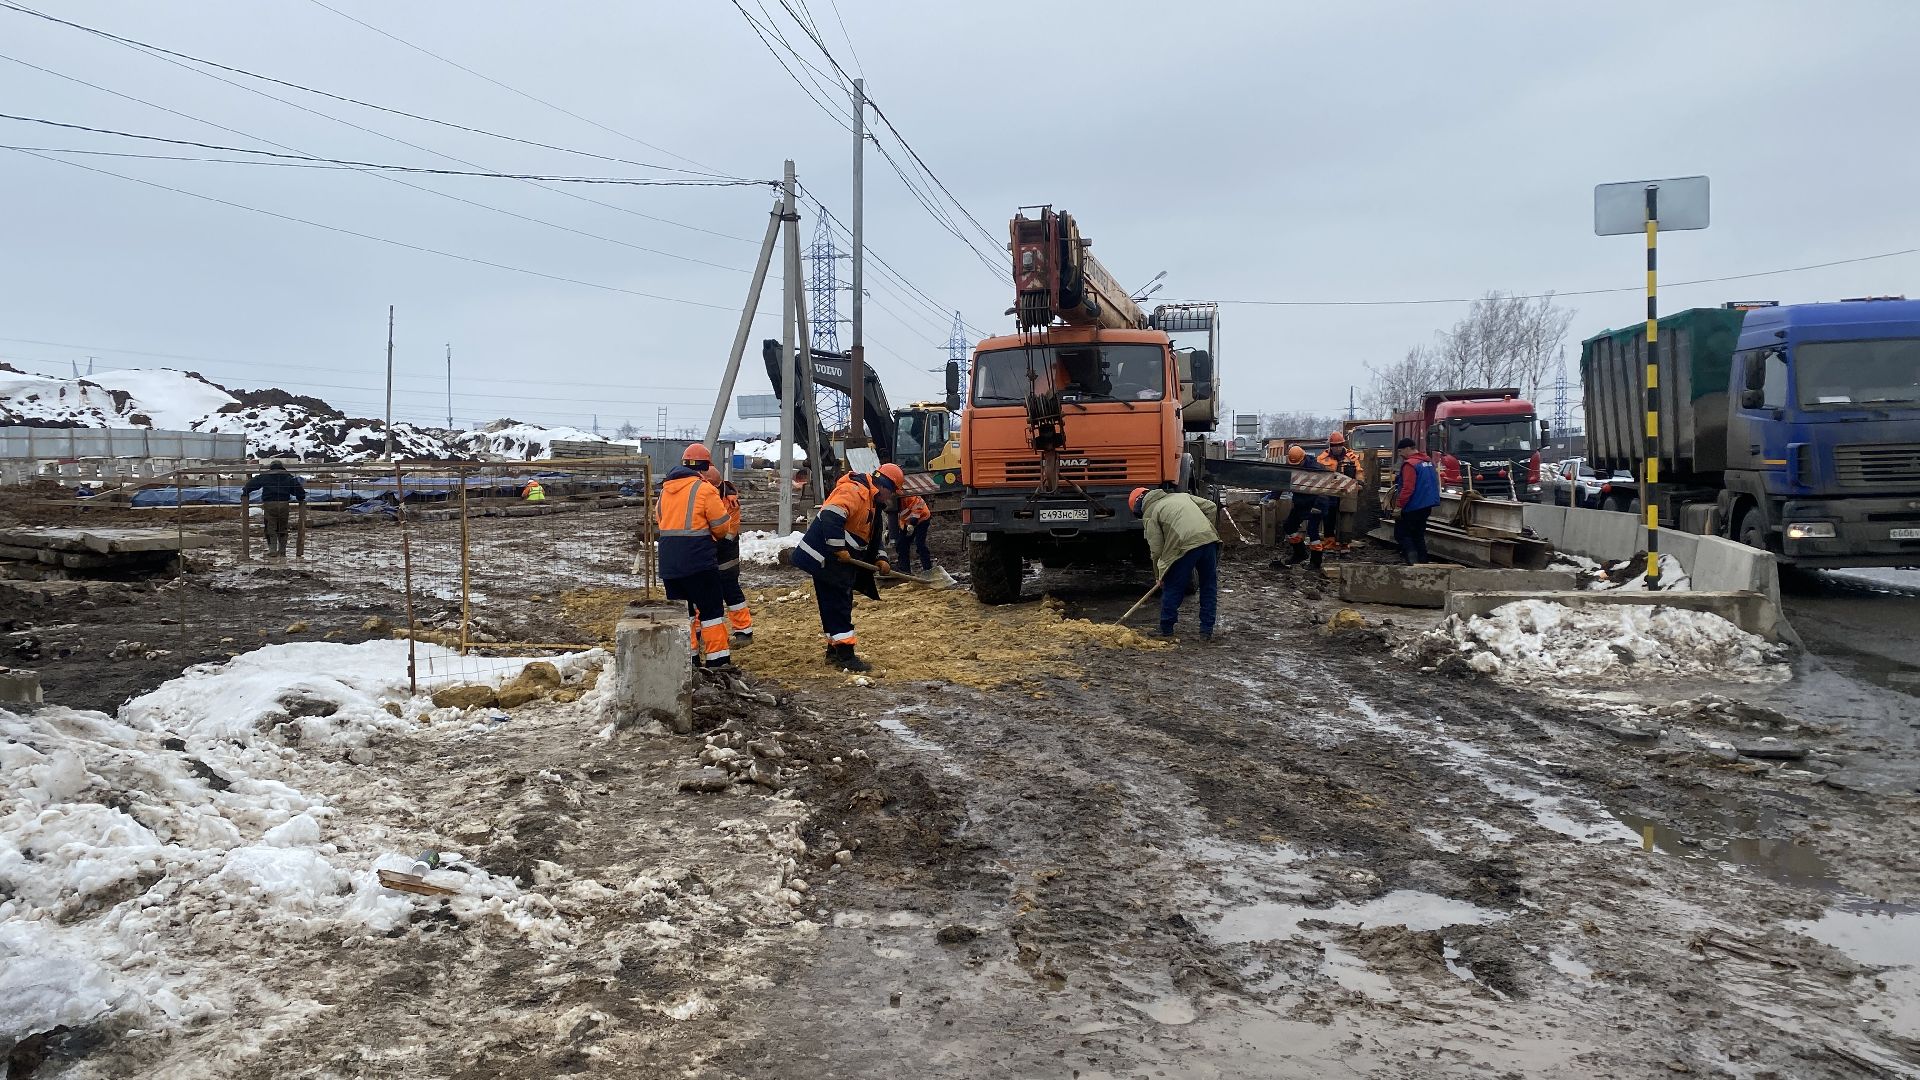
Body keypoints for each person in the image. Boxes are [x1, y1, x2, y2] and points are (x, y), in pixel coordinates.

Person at [792, 462, 901, 672]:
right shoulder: (854, 491)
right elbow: (831, 517)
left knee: (833, 604)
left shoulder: (872, 501)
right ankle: (845, 655)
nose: (891, 497)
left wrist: (881, 559)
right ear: (885, 486)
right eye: (892, 492)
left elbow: (871, 536)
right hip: (825, 558)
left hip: (834, 560)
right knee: (838, 604)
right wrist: (838, 548)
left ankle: (834, 651)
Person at [657, 444, 735, 668]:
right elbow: (721, 526)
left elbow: (661, 521)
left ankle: (688, 661)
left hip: (669, 564)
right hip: (699, 561)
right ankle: (718, 662)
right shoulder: (704, 489)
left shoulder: (665, 491)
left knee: (684, 614)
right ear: (706, 466)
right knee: (711, 612)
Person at [1129, 485, 1222, 640]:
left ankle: (1166, 629)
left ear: (1139, 508)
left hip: (1184, 547)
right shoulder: (1181, 496)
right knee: (1208, 587)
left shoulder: (1151, 513)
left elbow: (1156, 550)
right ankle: (1206, 631)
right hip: (1209, 541)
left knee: (1173, 586)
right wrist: (1206, 530)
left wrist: (1159, 576)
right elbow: (1211, 507)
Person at [703, 466, 753, 642]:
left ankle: (743, 631)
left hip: (725, 550)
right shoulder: (712, 495)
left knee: (730, 589)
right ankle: (701, 633)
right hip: (709, 548)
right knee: (703, 591)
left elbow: (730, 531)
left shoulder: (729, 500)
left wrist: (709, 543)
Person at [1277, 446, 1333, 567]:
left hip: (1316, 503)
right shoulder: (1290, 466)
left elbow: (1324, 490)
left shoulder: (1316, 469)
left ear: (1303, 458)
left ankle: (1316, 561)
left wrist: (1318, 506)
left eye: (1298, 464)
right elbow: (1281, 482)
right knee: (1289, 526)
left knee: (1312, 531)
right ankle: (1300, 553)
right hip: (1301, 503)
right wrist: (1273, 498)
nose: (1295, 466)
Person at [242, 461, 306, 558]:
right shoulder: (287, 477)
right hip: (284, 504)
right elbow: (298, 489)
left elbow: (252, 484)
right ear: (282, 467)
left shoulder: (265, 476)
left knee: (270, 527)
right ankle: (282, 551)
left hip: (269, 504)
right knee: (283, 528)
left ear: (271, 468)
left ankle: (272, 550)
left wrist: (245, 492)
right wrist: (300, 498)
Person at [1393, 437, 1441, 565]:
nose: (1400, 454)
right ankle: (1423, 562)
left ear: (1408, 448)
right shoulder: (1427, 462)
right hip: (1427, 505)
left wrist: (1399, 505)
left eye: (1401, 451)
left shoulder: (1410, 464)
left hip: (1413, 505)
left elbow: (1408, 488)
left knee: (1402, 534)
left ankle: (1412, 561)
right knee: (1418, 535)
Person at [892, 489, 934, 573]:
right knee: (902, 544)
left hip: (922, 518)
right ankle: (905, 570)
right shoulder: (892, 501)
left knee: (920, 544)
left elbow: (918, 506)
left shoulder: (907, 496)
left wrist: (912, 523)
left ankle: (928, 569)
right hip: (907, 521)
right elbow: (896, 516)